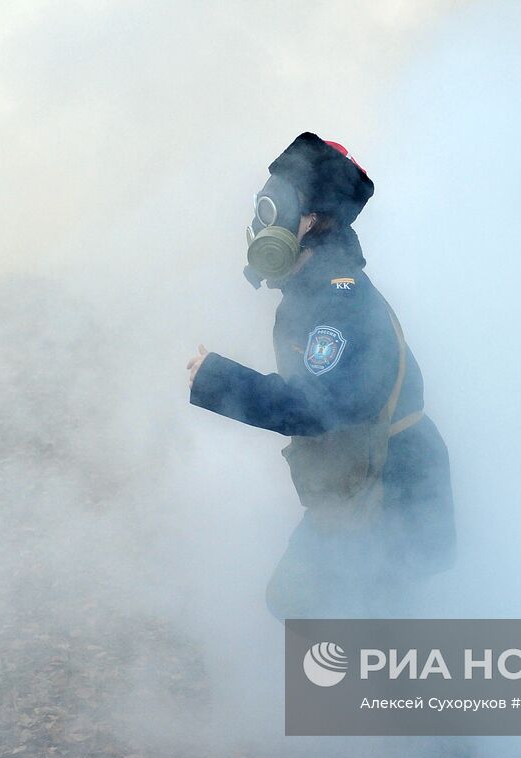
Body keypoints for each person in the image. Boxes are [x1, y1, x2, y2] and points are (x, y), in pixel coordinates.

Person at [188, 132, 455, 619]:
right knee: (326, 610)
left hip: (392, 491)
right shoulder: (312, 292)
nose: (261, 220)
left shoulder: (339, 299)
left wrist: (219, 380)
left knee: (352, 618)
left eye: (276, 206)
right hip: (366, 486)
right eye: (262, 206)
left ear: (311, 221)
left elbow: (320, 406)